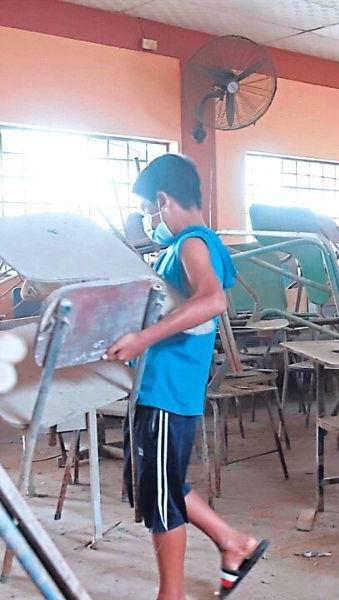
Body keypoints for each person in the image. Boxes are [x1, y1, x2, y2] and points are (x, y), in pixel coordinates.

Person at [105, 154, 266, 600]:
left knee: (161, 501)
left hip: (167, 391)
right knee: (162, 484)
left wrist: (143, 338)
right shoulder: (202, 242)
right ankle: (234, 544)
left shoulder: (192, 242)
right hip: (168, 389)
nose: (148, 221)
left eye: (147, 211)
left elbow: (213, 300)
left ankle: (170, 595)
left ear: (162, 201)